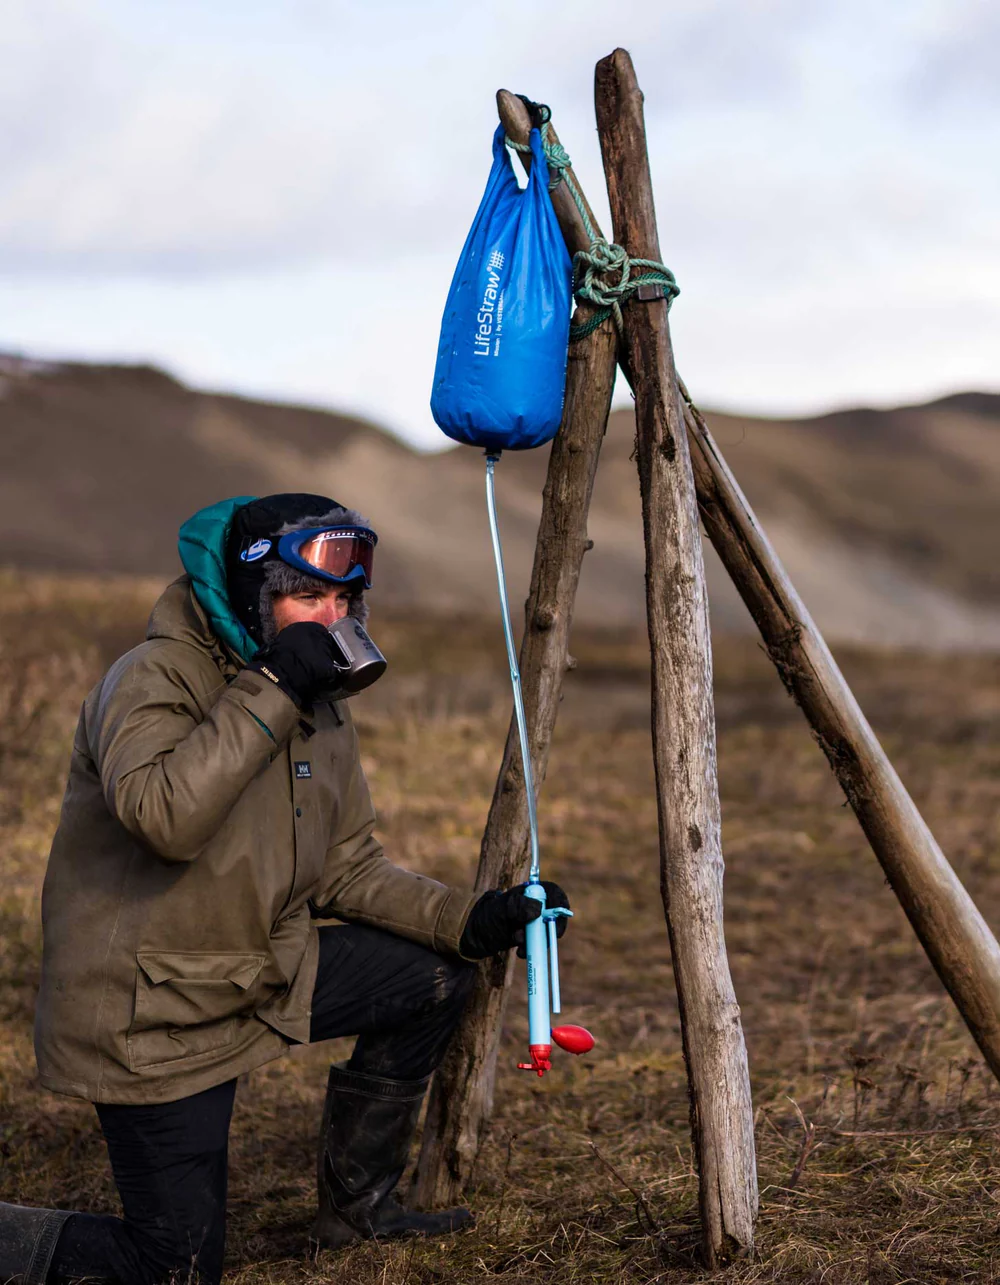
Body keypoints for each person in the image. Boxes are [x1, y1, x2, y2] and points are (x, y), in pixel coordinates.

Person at [0, 493, 569, 1285]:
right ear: (251, 595)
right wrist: (272, 685)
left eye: (342, 600)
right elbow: (165, 818)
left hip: (260, 972)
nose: (330, 618)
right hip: (154, 1012)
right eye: (308, 596)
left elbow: (348, 866)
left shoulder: (314, 700)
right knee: (177, 1268)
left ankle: (358, 1214)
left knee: (436, 977)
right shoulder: (152, 677)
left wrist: (469, 920)